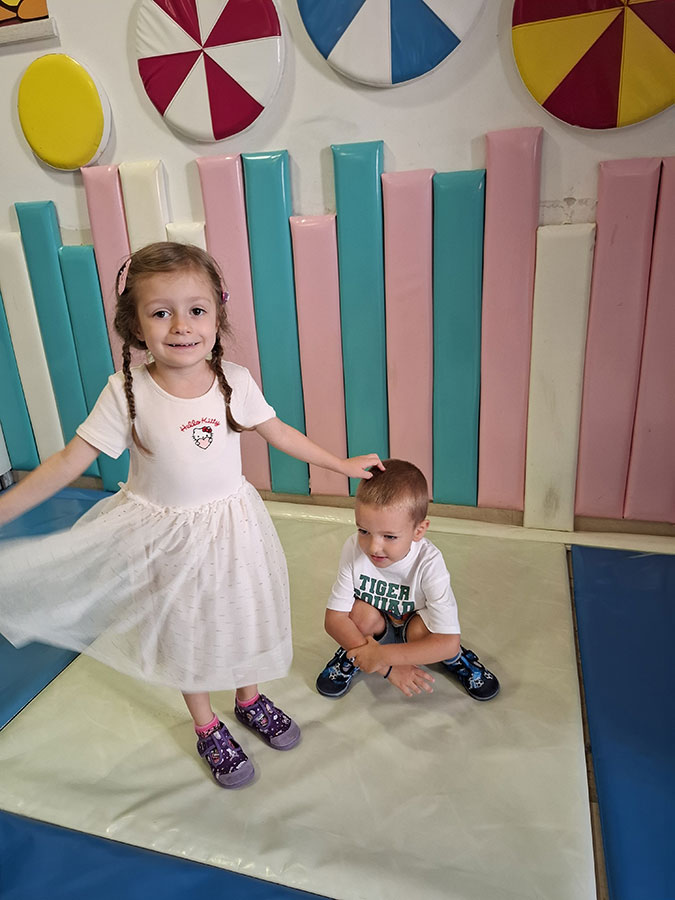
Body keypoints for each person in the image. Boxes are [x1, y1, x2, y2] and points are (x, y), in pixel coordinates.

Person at [0, 242, 382, 789]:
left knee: (241, 611)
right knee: (187, 629)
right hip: (164, 536)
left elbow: (278, 432)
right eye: (161, 312)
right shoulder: (126, 392)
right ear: (134, 324)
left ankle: (248, 698)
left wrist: (339, 464)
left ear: (217, 315)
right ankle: (206, 725)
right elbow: (67, 463)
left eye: (196, 310)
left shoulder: (234, 380)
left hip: (232, 526)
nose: (181, 326)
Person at [316, 459, 500, 702]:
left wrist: (382, 656)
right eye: (364, 531)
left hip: (415, 626)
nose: (373, 547)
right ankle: (357, 654)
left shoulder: (430, 562)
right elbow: (334, 620)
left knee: (426, 632)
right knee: (359, 615)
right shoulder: (353, 548)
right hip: (376, 626)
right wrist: (388, 668)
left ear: (418, 531)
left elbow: (448, 642)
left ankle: (455, 661)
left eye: (389, 536)